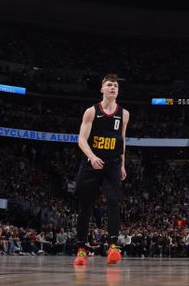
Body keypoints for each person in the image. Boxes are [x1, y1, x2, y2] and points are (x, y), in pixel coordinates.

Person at [73, 73, 129, 266]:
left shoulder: (124, 114)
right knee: (85, 207)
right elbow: (81, 139)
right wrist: (92, 156)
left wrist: (122, 164)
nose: (113, 87)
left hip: (112, 164)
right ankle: (81, 249)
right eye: (109, 85)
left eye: (116, 86)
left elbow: (122, 141)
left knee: (113, 202)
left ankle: (113, 246)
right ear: (102, 89)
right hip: (92, 164)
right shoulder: (91, 111)